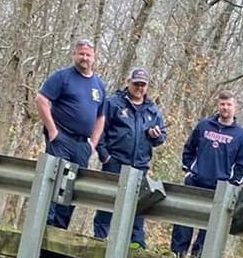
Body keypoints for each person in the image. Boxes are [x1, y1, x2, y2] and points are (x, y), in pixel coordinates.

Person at [33, 39, 106, 231]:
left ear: (94, 57)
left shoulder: (98, 85)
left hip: (82, 145)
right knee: (54, 182)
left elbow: (101, 117)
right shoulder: (62, 77)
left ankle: (59, 231)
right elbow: (41, 99)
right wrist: (52, 131)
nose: (84, 58)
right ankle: (44, 228)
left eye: (88, 55)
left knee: (71, 188)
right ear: (74, 54)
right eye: (81, 53)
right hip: (61, 139)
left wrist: (93, 144)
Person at [171, 90, 243, 258]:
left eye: (229, 104)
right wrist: (188, 170)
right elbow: (189, 148)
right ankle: (178, 254)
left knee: (210, 226)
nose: (225, 107)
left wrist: (233, 183)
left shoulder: (241, 135)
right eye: (222, 104)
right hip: (196, 181)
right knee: (184, 217)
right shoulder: (204, 126)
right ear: (218, 105)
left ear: (234, 107)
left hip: (220, 187)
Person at [93, 66, 167, 246]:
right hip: (115, 162)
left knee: (137, 208)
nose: (139, 88)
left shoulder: (152, 110)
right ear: (129, 83)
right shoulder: (114, 103)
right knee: (108, 204)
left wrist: (156, 135)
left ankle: (136, 245)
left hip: (139, 165)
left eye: (143, 85)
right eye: (136, 84)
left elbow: (161, 138)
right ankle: (99, 240)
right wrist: (104, 156)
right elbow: (100, 129)